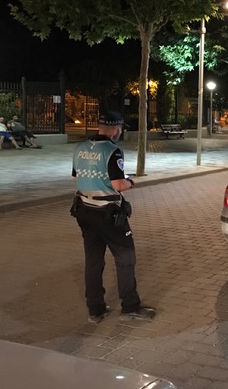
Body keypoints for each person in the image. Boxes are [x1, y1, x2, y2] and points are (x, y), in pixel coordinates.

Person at [71, 111, 156, 324]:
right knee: (126, 258)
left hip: (84, 210)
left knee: (93, 260)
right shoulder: (112, 151)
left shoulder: (80, 148)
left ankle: (95, 309)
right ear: (117, 129)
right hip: (107, 213)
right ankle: (130, 307)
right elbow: (119, 185)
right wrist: (131, 182)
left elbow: (76, 179)